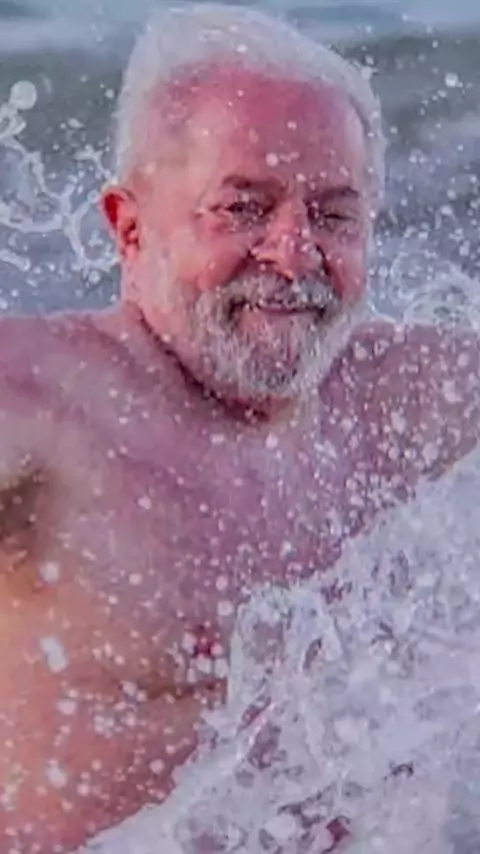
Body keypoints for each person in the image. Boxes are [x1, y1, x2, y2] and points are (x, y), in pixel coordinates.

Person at [0, 4, 478, 853]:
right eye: (242, 208)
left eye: (334, 214)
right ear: (129, 227)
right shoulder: (46, 403)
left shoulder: (398, 396)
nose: (293, 254)